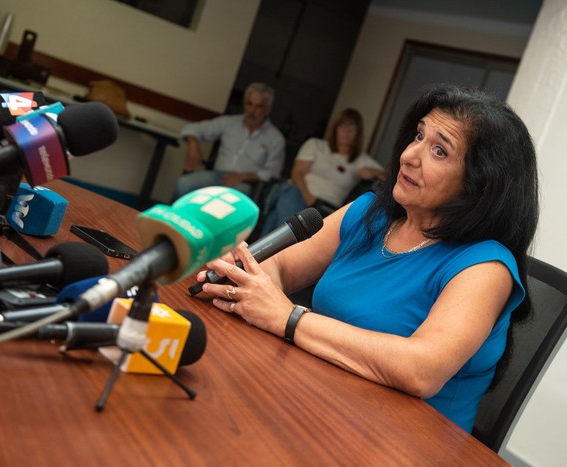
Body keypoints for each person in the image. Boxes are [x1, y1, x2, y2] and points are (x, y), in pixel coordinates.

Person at [195, 83, 539, 433]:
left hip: (405, 443)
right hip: (317, 403)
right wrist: (244, 282)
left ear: (478, 183)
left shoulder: (485, 267)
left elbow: (421, 370)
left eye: (439, 151)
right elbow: (281, 264)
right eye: (418, 136)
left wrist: (288, 317)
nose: (409, 155)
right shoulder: (369, 214)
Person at [259, 108, 386, 236]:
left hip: (326, 209)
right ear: (336, 128)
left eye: (352, 128)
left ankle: (269, 249)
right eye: (343, 126)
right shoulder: (316, 145)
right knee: (288, 193)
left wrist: (373, 171)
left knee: (277, 212)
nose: (346, 132)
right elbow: (297, 173)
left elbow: (388, 176)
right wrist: (308, 197)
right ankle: (288, 245)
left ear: (358, 133)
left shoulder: (360, 159)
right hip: (300, 195)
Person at [173, 82, 286, 200]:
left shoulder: (275, 138)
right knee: (184, 184)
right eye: (249, 104)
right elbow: (192, 128)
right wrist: (193, 145)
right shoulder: (229, 122)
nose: (252, 111)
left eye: (258, 106)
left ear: (267, 109)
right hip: (217, 175)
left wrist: (243, 177)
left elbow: (273, 172)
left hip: (245, 183)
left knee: (235, 196)